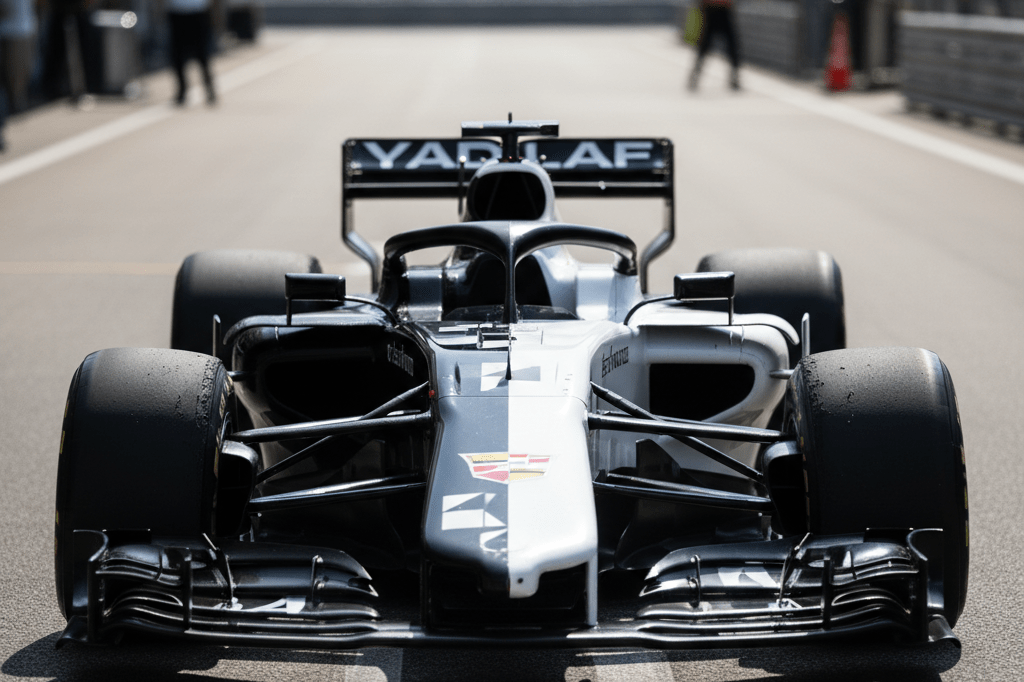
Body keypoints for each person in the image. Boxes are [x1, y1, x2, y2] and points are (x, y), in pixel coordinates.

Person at [166, 0, 216, 105]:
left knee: (202, 55)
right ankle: (182, 92)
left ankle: (210, 90)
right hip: (177, 12)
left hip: (198, 11)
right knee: (177, 56)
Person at [688, 0, 741, 91]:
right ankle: (695, 76)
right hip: (711, 9)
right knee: (705, 46)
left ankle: (734, 77)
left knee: (732, 46)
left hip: (723, 9)